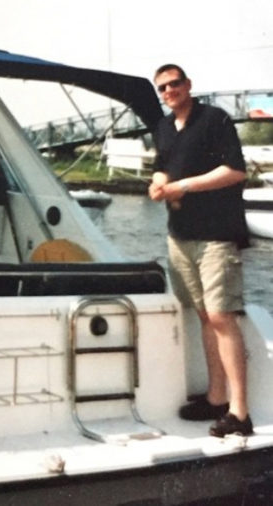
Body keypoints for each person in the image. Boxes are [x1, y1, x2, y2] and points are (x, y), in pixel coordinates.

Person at [148, 63, 252, 437]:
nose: (169, 91)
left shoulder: (215, 119)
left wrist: (184, 187)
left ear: (188, 85)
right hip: (180, 236)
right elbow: (163, 166)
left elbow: (235, 171)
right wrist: (159, 183)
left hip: (216, 236)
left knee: (222, 317)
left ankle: (240, 413)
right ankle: (216, 398)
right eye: (162, 87)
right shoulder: (163, 127)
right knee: (206, 316)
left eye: (175, 83)